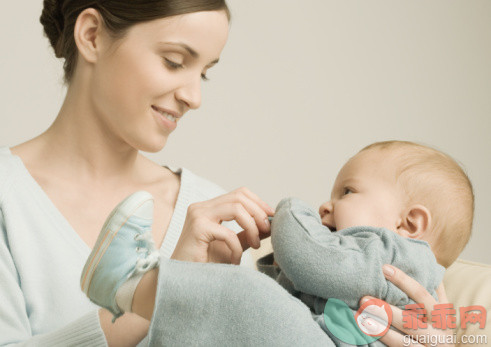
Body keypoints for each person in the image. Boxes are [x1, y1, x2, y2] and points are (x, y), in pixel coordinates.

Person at [0, 0, 456, 345]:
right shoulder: (9, 200)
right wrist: (157, 306)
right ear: (93, 35)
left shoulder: (214, 211)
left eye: (206, 72)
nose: (194, 97)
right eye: (175, 61)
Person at [80, 140, 471, 345]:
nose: (325, 204)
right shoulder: (365, 265)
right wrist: (279, 265)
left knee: (247, 298)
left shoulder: (399, 256)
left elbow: (314, 262)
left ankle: (132, 284)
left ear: (410, 223)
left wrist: (290, 213)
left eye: (347, 191)